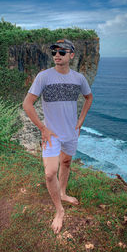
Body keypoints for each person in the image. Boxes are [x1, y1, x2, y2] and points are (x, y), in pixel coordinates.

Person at [23, 39, 93, 234]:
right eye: (54, 51)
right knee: (49, 173)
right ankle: (59, 211)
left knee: (67, 162)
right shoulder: (44, 77)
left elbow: (89, 97)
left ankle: (62, 193)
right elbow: (27, 105)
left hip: (71, 132)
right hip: (51, 135)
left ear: (71, 55)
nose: (57, 55)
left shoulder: (79, 78)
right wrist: (43, 129)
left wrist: (80, 121)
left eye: (62, 52)